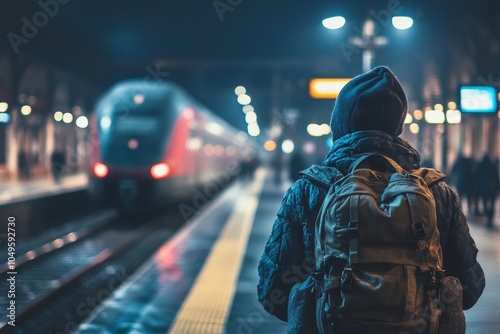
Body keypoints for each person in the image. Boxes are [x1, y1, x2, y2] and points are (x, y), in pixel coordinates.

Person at [257, 66, 485, 333]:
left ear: (339, 124)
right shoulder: (436, 192)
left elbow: (273, 292)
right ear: (397, 126)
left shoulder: (309, 189)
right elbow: (470, 290)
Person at [476, 154, 500, 228]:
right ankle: (490, 219)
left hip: (483, 188)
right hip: (492, 188)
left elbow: (477, 176)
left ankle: (487, 214)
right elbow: (497, 177)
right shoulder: (493, 165)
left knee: (485, 203)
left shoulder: (480, 165)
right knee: (492, 204)